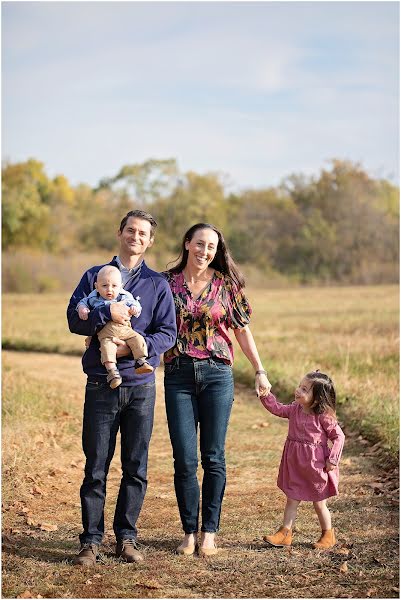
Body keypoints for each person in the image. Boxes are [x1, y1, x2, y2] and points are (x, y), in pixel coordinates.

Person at [67, 210, 176, 567]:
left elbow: (167, 333)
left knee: (135, 466)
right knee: (95, 465)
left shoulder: (157, 284)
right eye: (130, 229)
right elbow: (73, 320)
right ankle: (90, 542)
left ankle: (126, 538)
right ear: (120, 233)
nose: (136, 236)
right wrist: (105, 315)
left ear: (149, 241)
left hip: (141, 387)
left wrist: (130, 347)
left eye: (143, 233)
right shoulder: (93, 276)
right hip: (101, 385)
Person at [163, 222, 272, 557]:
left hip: (216, 375)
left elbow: (242, 330)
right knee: (184, 458)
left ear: (216, 251)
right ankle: (188, 532)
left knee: (213, 456)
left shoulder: (226, 284)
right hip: (178, 374)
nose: (204, 251)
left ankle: (209, 531)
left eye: (211, 246)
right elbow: (150, 324)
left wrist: (259, 370)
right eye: (199, 244)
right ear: (187, 244)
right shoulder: (166, 283)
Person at [259, 370, 345, 549]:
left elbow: (339, 437)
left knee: (319, 503)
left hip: (316, 465)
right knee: (292, 497)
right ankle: (285, 533)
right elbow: (277, 408)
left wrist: (333, 459)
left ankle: (328, 534)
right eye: (300, 386)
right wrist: (266, 395)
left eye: (305, 389)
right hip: (295, 462)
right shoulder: (294, 409)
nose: (298, 390)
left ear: (318, 398)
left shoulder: (323, 416)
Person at [77, 264, 153, 387]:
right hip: (106, 333)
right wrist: (82, 309)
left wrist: (134, 309)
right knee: (107, 348)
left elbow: (136, 305)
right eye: (104, 286)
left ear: (121, 286)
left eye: (114, 286)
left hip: (125, 330)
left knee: (138, 339)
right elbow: (82, 302)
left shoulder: (124, 296)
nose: (109, 290)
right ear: (96, 286)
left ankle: (141, 361)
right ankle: (112, 373)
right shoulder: (94, 297)